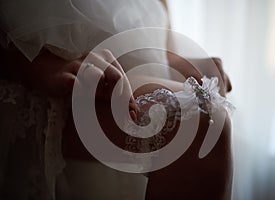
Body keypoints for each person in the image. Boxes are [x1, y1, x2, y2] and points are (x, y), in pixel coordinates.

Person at [0, 0, 233, 199]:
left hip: (128, 81)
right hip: (45, 84)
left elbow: (157, 35)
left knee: (206, 116)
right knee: (197, 123)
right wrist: (34, 65)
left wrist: (178, 62)